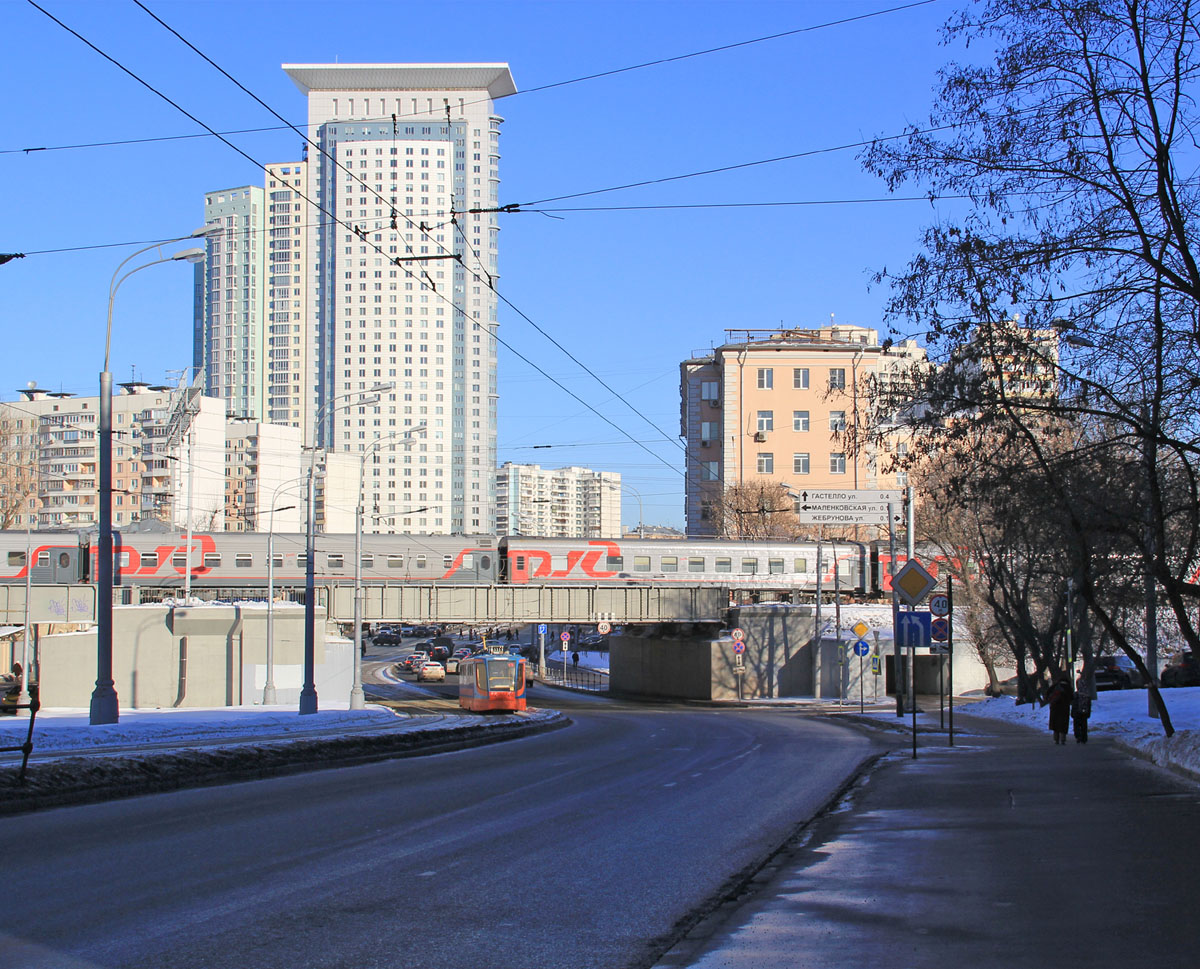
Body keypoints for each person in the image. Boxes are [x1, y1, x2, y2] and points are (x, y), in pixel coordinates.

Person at [1044, 674, 1073, 745]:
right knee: (1063, 723)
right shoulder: (1068, 687)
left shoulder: (1055, 686)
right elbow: (1072, 698)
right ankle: (1063, 739)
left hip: (1055, 707)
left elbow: (1047, 694)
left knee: (1055, 723)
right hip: (1064, 708)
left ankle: (1056, 739)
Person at [1072, 674, 1092, 743]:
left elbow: (1074, 704)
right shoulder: (1087, 694)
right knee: (1084, 725)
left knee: (1077, 725)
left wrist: (1072, 713)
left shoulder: (1076, 694)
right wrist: (1088, 712)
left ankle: (1078, 736)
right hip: (1084, 712)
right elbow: (1089, 704)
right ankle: (1084, 737)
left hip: (1077, 712)